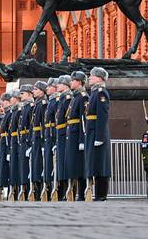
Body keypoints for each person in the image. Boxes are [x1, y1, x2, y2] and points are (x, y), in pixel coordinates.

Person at [85, 67, 111, 201]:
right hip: (92, 132)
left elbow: (102, 116)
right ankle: (98, 193)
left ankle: (102, 194)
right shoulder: (94, 92)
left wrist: (100, 136)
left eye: (92, 76)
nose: (89, 78)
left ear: (99, 78)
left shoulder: (101, 93)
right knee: (94, 163)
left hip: (98, 133)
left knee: (101, 164)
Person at [66, 71, 88, 201]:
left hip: (77, 135)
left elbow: (83, 119)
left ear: (79, 82)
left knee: (80, 165)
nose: (71, 83)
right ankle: (76, 193)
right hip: (72, 134)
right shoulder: (75, 96)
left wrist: (82, 139)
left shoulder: (83, 96)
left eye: (73, 80)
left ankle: (81, 193)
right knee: (74, 165)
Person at [55, 76, 73, 200]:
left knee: (65, 165)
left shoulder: (67, 98)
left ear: (66, 85)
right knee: (60, 165)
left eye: (60, 84)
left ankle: (67, 191)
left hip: (65, 134)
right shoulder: (61, 98)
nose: (57, 86)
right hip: (60, 134)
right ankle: (61, 193)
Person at [30, 81, 48, 200]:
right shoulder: (37, 104)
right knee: (35, 166)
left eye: (36, 89)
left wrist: (42, 142)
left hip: (40, 137)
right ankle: (37, 193)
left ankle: (42, 192)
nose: (34, 91)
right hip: (35, 138)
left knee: (40, 166)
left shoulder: (42, 104)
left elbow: (43, 123)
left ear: (42, 91)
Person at [17, 85, 34, 200]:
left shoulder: (31, 107)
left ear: (29, 94)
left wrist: (29, 142)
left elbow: (31, 125)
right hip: (23, 140)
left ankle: (31, 192)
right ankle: (26, 191)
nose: (20, 96)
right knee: (23, 168)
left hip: (28, 140)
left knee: (29, 168)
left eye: (22, 93)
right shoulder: (24, 108)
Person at [42, 79, 59, 200]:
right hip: (48, 136)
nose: (47, 88)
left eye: (49, 86)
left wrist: (54, 139)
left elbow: (57, 121)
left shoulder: (56, 101)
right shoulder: (50, 101)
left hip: (54, 136)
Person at [0, 93, 12, 199]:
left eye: (3, 103)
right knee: (1, 169)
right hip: (2, 145)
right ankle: (2, 190)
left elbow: (10, 132)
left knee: (6, 170)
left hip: (7, 144)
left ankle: (7, 190)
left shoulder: (9, 114)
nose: (2, 107)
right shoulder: (5, 115)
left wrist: (8, 151)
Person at [8, 90, 21, 200]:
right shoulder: (14, 112)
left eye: (11, 98)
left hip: (18, 142)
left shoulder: (18, 111)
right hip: (13, 143)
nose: (10, 100)